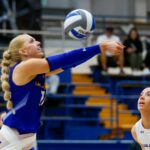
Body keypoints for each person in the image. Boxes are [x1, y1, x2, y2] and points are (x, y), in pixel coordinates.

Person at [0, 34, 124, 149]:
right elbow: (66, 59)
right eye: (32, 41)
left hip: (28, 138)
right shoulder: (24, 67)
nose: (38, 43)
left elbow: (70, 63)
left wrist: (100, 49)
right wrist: (101, 47)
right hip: (13, 138)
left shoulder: (35, 71)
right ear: (23, 51)